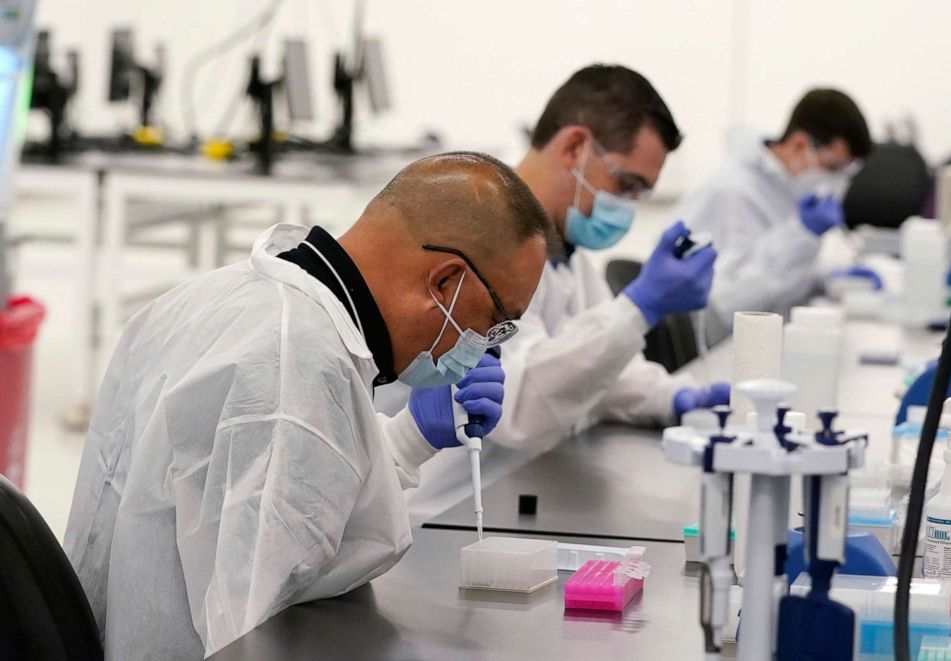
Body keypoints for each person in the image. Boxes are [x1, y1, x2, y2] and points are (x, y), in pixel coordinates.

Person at [63, 152, 555, 660]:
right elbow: (252, 634)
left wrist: (412, 438)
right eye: (496, 321)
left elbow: (287, 497)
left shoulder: (227, 297)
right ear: (445, 283)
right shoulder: (299, 365)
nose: (486, 345)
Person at [385, 65, 729, 523]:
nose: (628, 207)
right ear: (574, 147)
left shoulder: (566, 254)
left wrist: (673, 398)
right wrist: (639, 307)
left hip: (511, 499)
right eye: (627, 186)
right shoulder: (477, 236)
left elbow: (598, 374)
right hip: (437, 514)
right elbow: (519, 407)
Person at [673, 88, 873, 342]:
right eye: (833, 167)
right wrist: (802, 235)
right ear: (800, 145)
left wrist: (826, 277)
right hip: (718, 345)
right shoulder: (735, 192)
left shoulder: (790, 186)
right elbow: (728, 302)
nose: (837, 182)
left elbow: (779, 274)